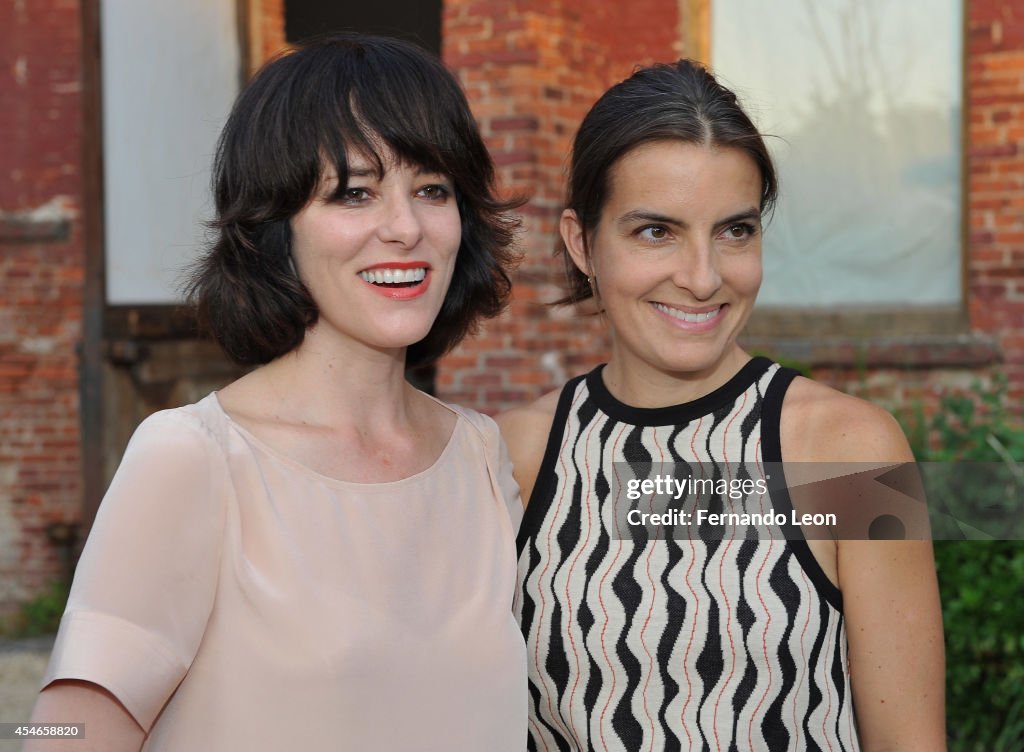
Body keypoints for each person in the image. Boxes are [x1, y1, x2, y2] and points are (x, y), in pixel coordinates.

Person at [28, 34, 526, 752]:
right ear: (276, 226)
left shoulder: (481, 458)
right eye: (354, 192)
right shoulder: (195, 459)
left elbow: (703, 489)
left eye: (432, 189)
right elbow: (58, 735)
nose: (405, 227)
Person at [498, 60, 945, 751]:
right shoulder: (515, 459)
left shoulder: (848, 453)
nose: (703, 278)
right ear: (581, 243)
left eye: (735, 230)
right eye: (656, 232)